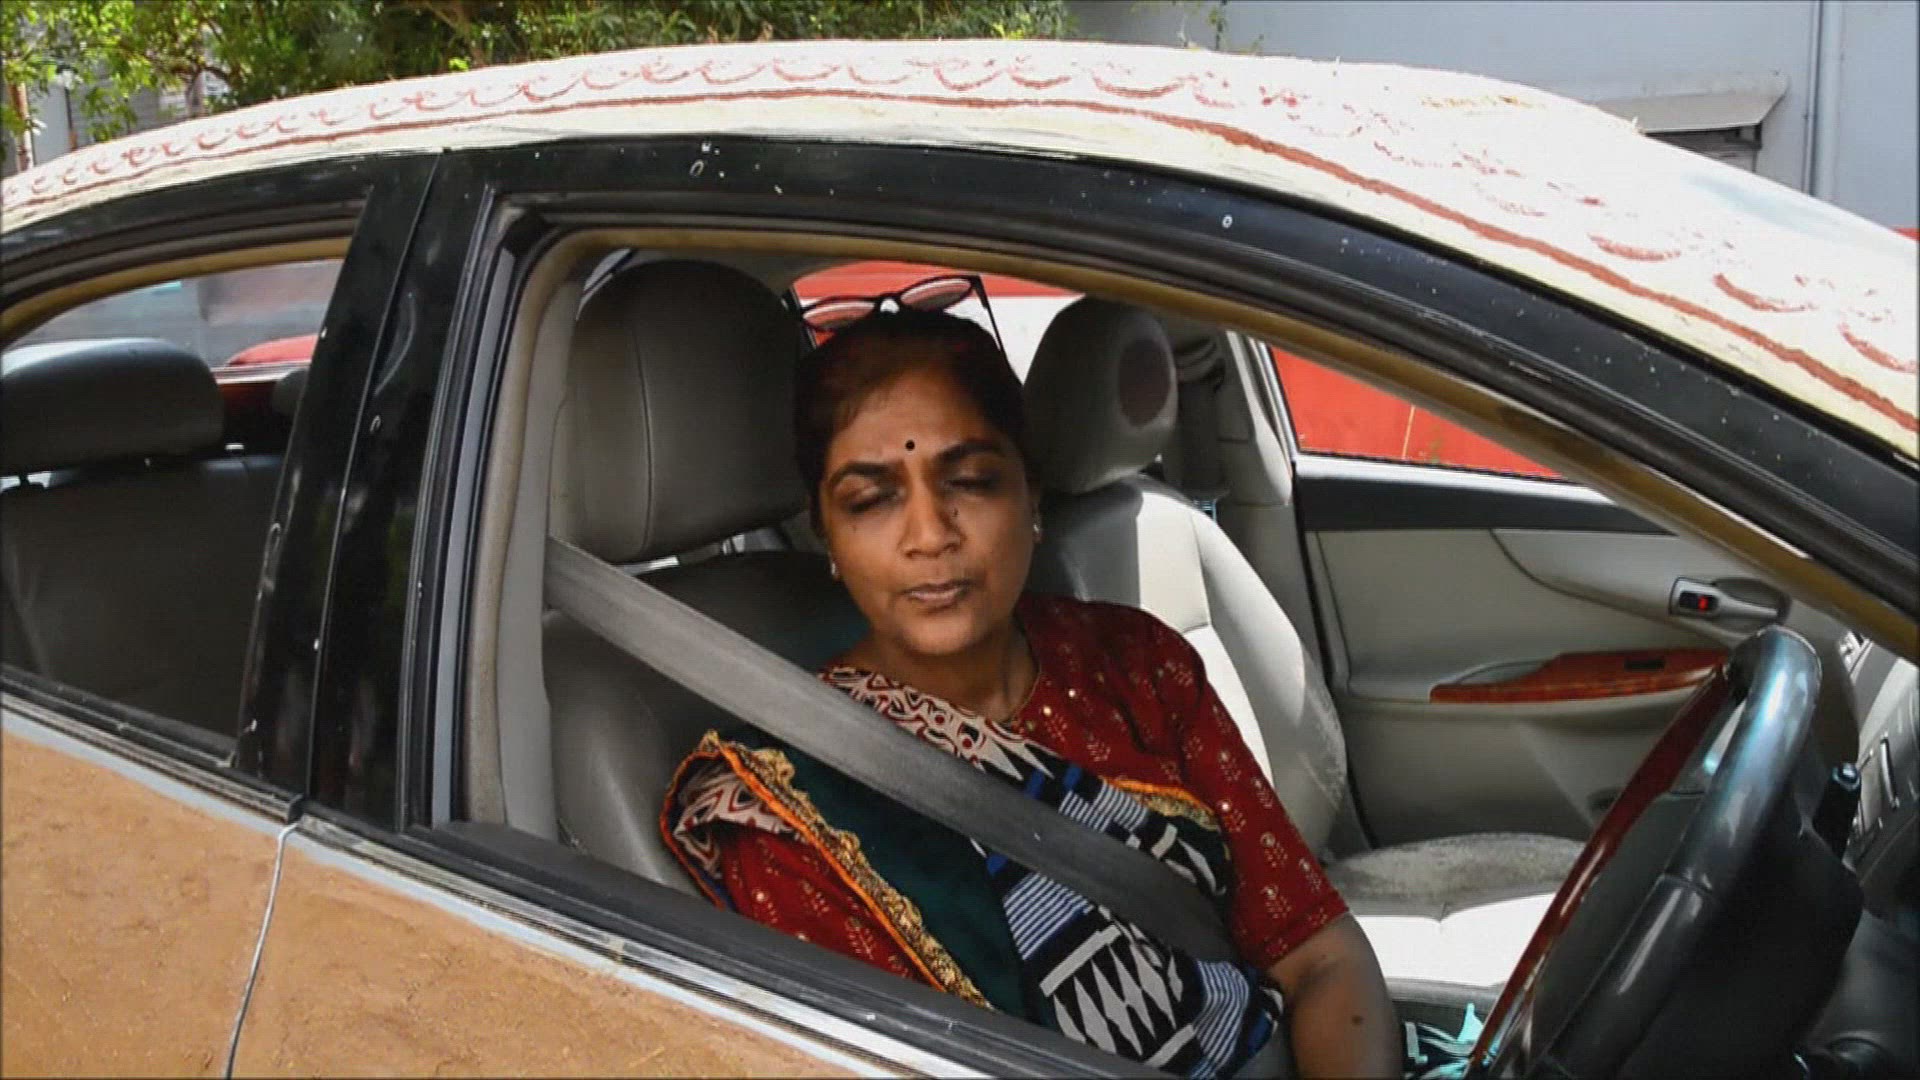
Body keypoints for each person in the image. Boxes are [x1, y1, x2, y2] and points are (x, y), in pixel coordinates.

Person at [662, 307, 1399, 1078]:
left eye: (971, 481)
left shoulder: (1134, 664)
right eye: (871, 499)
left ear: (1031, 497)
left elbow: (1318, 954)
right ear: (827, 536)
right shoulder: (792, 811)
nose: (930, 534)